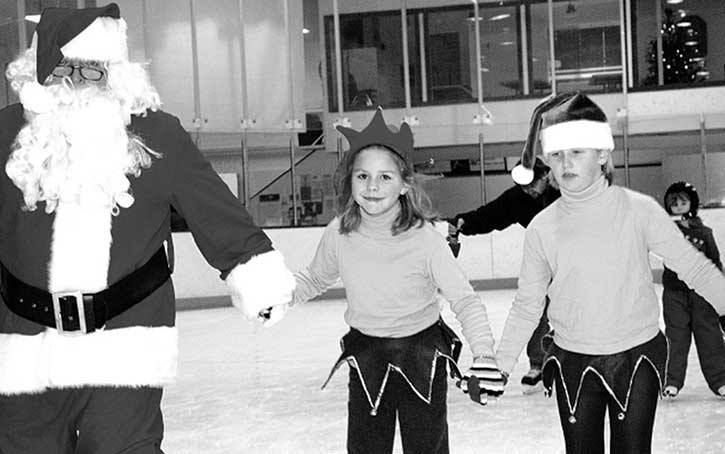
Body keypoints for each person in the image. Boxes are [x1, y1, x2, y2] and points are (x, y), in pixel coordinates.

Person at [0, 4, 294, 453]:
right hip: (25, 342)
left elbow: (212, 207)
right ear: (39, 72)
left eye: (93, 71)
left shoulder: (158, 135)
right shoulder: (6, 134)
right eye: (64, 68)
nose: (78, 81)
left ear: (116, 74)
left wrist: (254, 272)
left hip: (127, 337)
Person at [494, 92, 725, 453]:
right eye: (556, 154)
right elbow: (527, 305)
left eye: (577, 151)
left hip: (637, 357)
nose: (565, 163)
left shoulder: (639, 211)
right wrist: (499, 365)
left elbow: (694, 267)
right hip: (573, 360)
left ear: (602, 154)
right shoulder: (542, 228)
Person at [290, 108, 505, 454]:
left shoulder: (425, 240)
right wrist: (278, 296)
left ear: (405, 184)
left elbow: (465, 300)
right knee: (366, 447)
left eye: (385, 177)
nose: (372, 186)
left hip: (422, 356)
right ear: (350, 181)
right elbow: (315, 278)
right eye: (362, 176)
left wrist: (484, 355)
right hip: (367, 354)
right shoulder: (339, 234)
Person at [448, 156, 559, 393]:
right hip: (544, 259)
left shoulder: (563, 191)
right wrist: (464, 222)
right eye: (523, 186)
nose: (528, 191)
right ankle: (538, 364)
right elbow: (491, 215)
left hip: (577, 260)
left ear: (545, 176)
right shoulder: (518, 198)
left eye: (532, 184)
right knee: (535, 310)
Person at [660, 181, 725, 399]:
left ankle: (720, 381)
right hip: (675, 294)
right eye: (673, 203)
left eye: (683, 202)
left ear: (692, 204)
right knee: (676, 337)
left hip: (701, 294)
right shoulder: (666, 231)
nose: (678, 207)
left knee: (710, 336)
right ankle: (671, 381)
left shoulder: (704, 233)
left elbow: (715, 261)